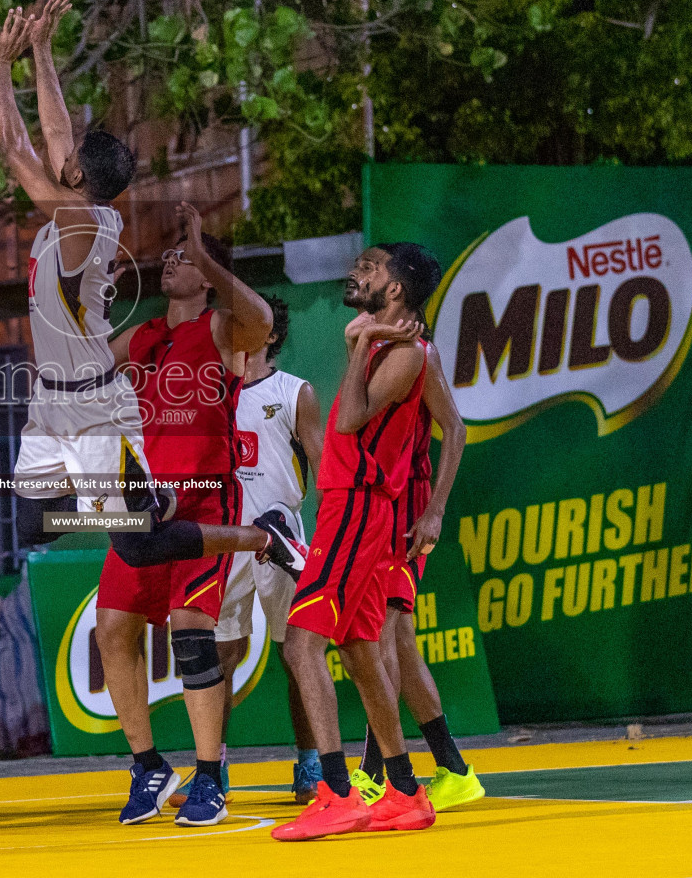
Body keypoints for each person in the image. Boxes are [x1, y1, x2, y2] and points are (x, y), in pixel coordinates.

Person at [0, 2, 296, 577]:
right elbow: (55, 135)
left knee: (138, 545)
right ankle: (133, 504)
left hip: (93, 404)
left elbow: (15, 147)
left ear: (76, 178)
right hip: (55, 397)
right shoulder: (83, 207)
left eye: (70, 162)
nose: (63, 156)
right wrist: (41, 49)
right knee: (34, 524)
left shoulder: (78, 223)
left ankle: (261, 537)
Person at [96, 205, 290, 828]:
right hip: (147, 503)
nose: (170, 260)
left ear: (208, 275)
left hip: (206, 495)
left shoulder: (222, 328)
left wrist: (206, 251)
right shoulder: (145, 336)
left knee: (190, 629)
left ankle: (210, 776)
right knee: (113, 627)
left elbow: (261, 319)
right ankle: (149, 764)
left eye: (185, 257)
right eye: (172, 254)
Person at [273, 242, 443, 842]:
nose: (357, 273)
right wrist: (361, 345)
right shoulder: (398, 347)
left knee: (302, 647)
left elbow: (347, 420)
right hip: (358, 509)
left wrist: (357, 348)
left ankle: (337, 792)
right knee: (360, 650)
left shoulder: (405, 354)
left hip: (357, 507)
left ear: (395, 289)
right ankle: (404, 789)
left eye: (370, 268)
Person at [351, 340, 485, 812]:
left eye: (371, 266)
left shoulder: (418, 352)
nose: (361, 274)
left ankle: (375, 773)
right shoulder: (373, 348)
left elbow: (456, 428)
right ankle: (453, 768)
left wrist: (436, 510)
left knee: (380, 636)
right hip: (377, 505)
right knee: (398, 641)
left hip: (406, 508)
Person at [206, 295, 324, 805]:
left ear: (271, 334)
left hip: (283, 536)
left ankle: (311, 763)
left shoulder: (295, 392)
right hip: (222, 535)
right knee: (219, 654)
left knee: (296, 652)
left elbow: (327, 470)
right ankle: (214, 769)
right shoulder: (209, 393)